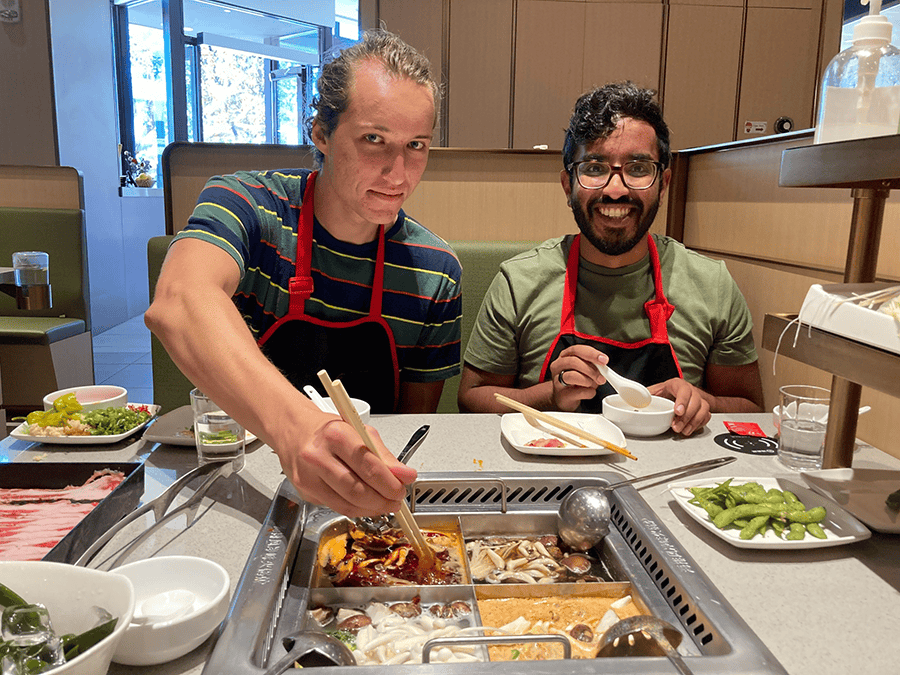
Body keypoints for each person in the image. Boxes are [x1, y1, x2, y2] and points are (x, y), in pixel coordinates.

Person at [146, 30, 462, 516]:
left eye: (415, 145)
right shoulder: (250, 207)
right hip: (239, 483)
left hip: (361, 499)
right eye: (373, 140)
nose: (398, 174)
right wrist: (300, 430)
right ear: (321, 133)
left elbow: (409, 428)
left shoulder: (434, 271)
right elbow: (179, 300)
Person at [458, 82, 763, 436]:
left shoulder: (711, 284)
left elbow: (753, 410)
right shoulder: (520, 282)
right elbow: (471, 399)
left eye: (637, 169)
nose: (615, 189)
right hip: (548, 471)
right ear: (566, 184)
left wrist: (701, 402)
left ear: (663, 183)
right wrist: (550, 395)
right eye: (594, 167)